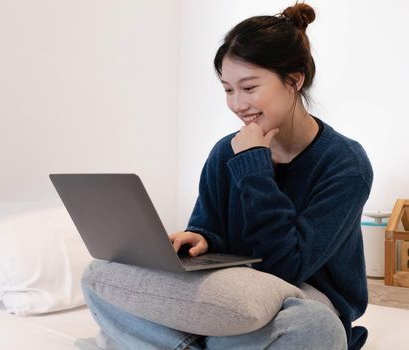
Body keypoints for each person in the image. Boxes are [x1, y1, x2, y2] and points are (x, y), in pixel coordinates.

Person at [82, 2, 373, 349]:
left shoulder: (344, 163)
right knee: (100, 278)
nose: (237, 104)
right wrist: (201, 239)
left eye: (249, 88)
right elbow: (210, 227)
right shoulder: (225, 152)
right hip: (231, 299)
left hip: (305, 298)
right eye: (227, 89)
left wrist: (255, 167)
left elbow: (287, 266)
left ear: (294, 80)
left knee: (312, 327)